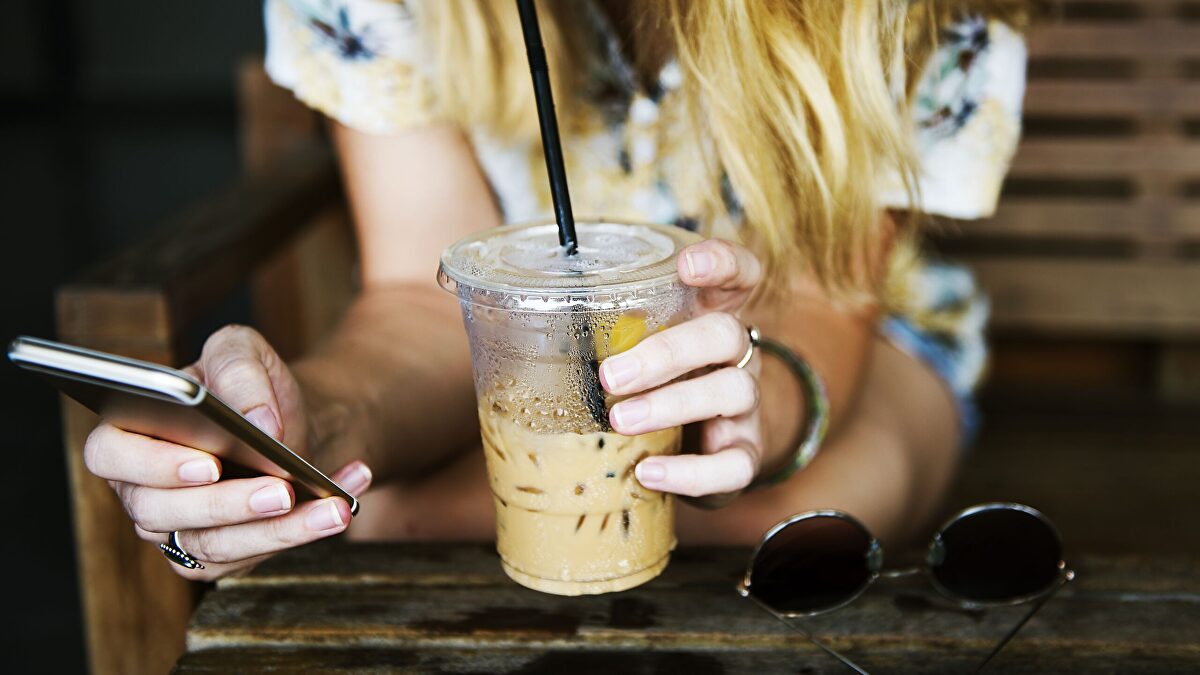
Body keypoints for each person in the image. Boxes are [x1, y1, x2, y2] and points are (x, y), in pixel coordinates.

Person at [83, 0, 1031, 580]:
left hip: (842, 340)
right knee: (394, 511)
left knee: (798, 522)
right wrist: (310, 430)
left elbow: (827, 297)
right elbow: (421, 297)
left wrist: (754, 408)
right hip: (516, 357)